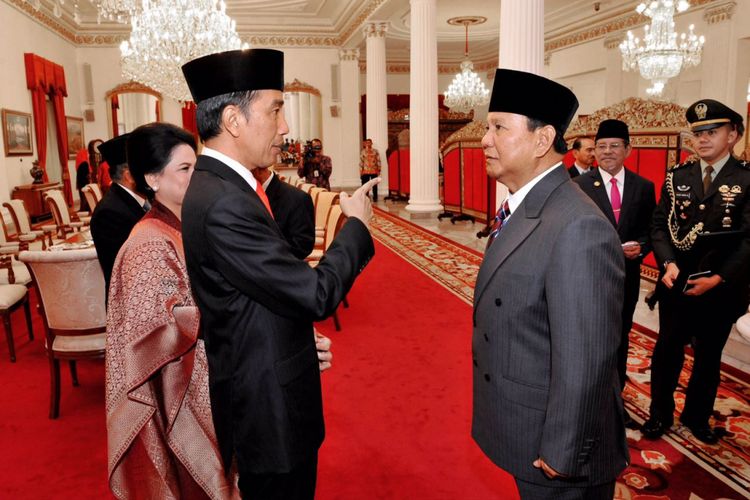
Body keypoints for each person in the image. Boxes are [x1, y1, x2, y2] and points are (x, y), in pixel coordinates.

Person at [180, 48, 377, 499]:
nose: (285, 126)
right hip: (267, 410)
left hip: (265, 380)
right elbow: (315, 293)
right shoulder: (225, 200)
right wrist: (357, 226)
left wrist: (297, 341)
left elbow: (254, 292)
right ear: (233, 119)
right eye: (275, 109)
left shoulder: (223, 186)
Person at [472, 68, 628, 499]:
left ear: (542, 140)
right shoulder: (529, 206)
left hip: (558, 451)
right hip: (526, 425)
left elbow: (588, 356)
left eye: (498, 127)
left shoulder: (578, 226)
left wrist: (565, 450)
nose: (485, 139)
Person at [643, 99, 750, 444]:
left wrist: (719, 278)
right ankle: (659, 415)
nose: (702, 139)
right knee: (666, 353)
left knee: (707, 358)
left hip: (720, 288)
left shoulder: (746, 180)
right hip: (677, 283)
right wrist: (667, 263)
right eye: (697, 133)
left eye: (712, 132)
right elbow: (659, 226)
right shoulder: (679, 176)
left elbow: (749, 240)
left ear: (733, 135)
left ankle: (697, 417)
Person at [574, 119, 656, 426]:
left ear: (628, 150)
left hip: (626, 279)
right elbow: (572, 232)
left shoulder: (643, 187)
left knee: (620, 338)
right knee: (588, 339)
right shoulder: (579, 186)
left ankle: (614, 403)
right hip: (588, 279)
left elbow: (651, 228)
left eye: (614, 146)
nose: (607, 152)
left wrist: (643, 247)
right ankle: (585, 401)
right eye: (601, 147)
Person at [90, 133, 148, 297]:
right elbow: (129, 272)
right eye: (147, 169)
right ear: (129, 175)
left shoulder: (139, 200)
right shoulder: (109, 213)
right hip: (132, 306)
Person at [251, 165, 315, 259]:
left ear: (257, 170)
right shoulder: (243, 194)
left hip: (281, 268)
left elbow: (302, 245)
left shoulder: (297, 198)